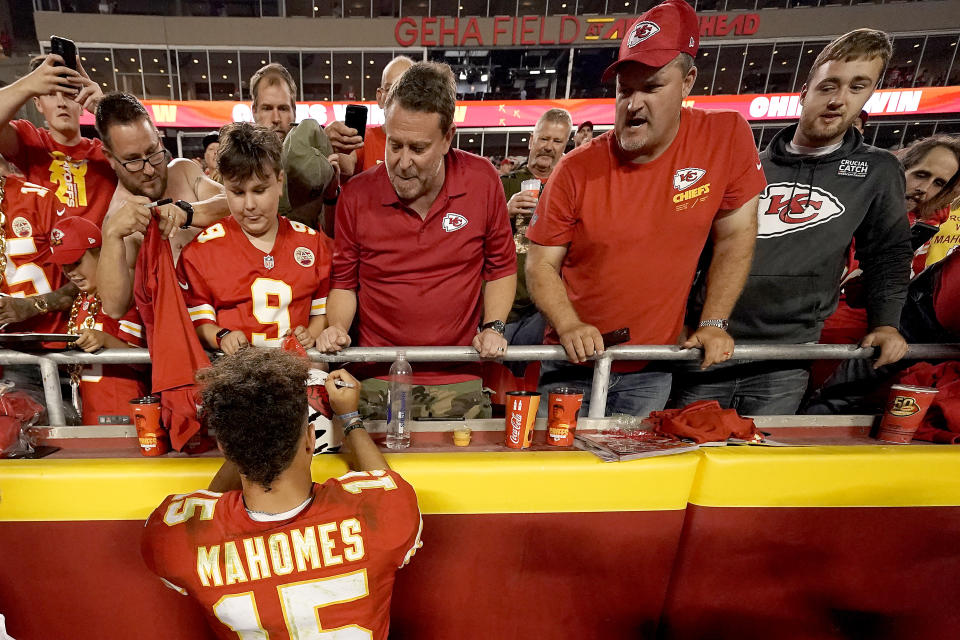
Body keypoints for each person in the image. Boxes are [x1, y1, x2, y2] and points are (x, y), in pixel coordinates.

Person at [525, 0, 764, 417]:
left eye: (651, 88)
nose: (633, 104)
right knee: (556, 476)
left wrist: (714, 321)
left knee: (635, 478)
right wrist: (568, 324)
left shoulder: (725, 137)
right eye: (624, 90)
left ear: (688, 82)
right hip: (570, 362)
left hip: (653, 364)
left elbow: (737, 235)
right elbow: (540, 264)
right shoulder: (576, 167)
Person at [675, 29, 912, 415]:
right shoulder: (747, 163)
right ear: (805, 91)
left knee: (761, 467)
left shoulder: (877, 170)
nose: (838, 99)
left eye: (857, 87)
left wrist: (886, 323)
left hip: (786, 355)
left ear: (870, 96)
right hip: (707, 342)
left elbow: (887, 254)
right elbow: (696, 250)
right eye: (829, 85)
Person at [142, 349, 422, 640]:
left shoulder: (174, 535)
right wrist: (350, 418)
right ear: (311, 440)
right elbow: (383, 481)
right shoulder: (382, 511)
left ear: (225, 447)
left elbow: (203, 515)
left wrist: (241, 440)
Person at [317, 61, 516, 420]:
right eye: (395, 144)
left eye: (418, 148)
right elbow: (345, 282)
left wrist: (494, 326)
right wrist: (336, 328)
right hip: (376, 380)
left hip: (460, 377)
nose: (402, 162)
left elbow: (500, 267)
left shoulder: (483, 180)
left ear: (447, 139)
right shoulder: (357, 194)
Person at [177, 122, 332, 354]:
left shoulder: (313, 244)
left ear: (280, 182)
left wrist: (310, 333)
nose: (249, 205)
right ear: (224, 188)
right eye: (238, 192)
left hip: (300, 376)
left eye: (259, 190)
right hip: (234, 379)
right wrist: (222, 335)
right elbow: (198, 322)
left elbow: (322, 315)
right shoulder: (200, 252)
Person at [0, 53, 117, 327]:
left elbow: (152, 164)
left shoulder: (107, 154)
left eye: (69, 93)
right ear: (37, 103)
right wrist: (30, 83)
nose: (62, 102)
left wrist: (103, 105)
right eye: (51, 93)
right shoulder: (30, 142)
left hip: (101, 294)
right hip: (45, 294)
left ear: (81, 100)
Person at [94, 92, 228, 320]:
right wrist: (112, 236)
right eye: (134, 160)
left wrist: (185, 212)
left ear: (159, 138)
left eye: (153, 152)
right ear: (110, 157)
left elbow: (234, 202)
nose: (148, 169)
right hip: (178, 336)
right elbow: (114, 307)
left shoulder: (183, 172)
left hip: (228, 324)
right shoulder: (118, 220)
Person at [43, 216, 146, 425]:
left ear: (101, 254)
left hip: (126, 414)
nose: (70, 272)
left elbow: (145, 362)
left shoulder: (121, 294)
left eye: (76, 262)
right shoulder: (81, 299)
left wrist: (105, 340)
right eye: (64, 265)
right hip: (90, 414)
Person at [500, 108, 572, 364]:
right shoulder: (503, 184)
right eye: (543, 139)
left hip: (543, 310)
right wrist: (504, 212)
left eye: (556, 141)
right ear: (531, 140)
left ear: (566, 145)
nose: (548, 147)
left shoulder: (569, 190)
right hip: (503, 307)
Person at [249, 63, 338, 233]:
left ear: (294, 111)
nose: (276, 118)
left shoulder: (316, 155)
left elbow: (331, 235)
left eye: (283, 108)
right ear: (255, 111)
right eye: (267, 108)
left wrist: (331, 192)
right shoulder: (237, 160)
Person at [326, 55, 415, 178]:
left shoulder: (427, 144)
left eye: (407, 89)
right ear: (380, 97)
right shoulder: (364, 138)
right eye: (391, 89)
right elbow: (346, 163)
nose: (399, 97)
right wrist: (333, 145)